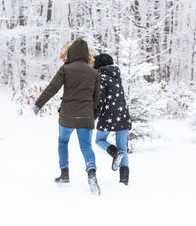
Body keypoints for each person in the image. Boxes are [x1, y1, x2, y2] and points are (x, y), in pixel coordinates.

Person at [33, 38, 101, 195]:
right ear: (86, 55)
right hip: (85, 117)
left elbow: (52, 88)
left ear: (71, 53)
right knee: (86, 147)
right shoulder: (94, 72)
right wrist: (92, 113)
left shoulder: (66, 69)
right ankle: (91, 172)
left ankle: (64, 173)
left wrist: (38, 104)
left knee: (63, 141)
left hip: (67, 116)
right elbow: (97, 98)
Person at [93, 53, 132, 185]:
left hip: (108, 117)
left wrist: (93, 116)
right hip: (123, 116)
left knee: (99, 140)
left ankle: (114, 152)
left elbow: (100, 100)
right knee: (123, 147)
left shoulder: (102, 78)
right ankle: (124, 181)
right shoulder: (117, 76)